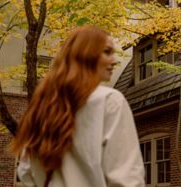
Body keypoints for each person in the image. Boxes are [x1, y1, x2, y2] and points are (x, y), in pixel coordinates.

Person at [10, 25, 145, 187]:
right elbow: (127, 178)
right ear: (86, 54)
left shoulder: (43, 108)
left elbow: (26, 173)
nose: (115, 60)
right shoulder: (109, 101)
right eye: (107, 52)